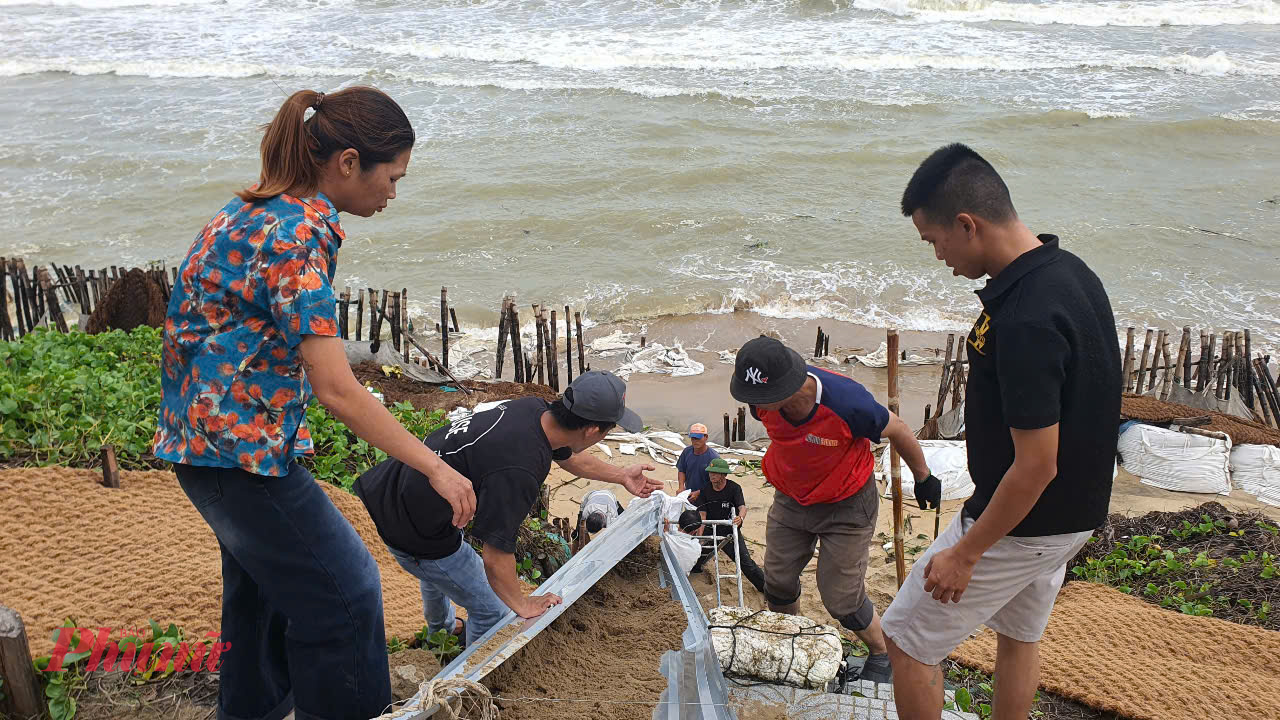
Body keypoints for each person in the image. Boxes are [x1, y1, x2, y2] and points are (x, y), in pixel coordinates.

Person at [151, 87, 474, 720]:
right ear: (348, 162)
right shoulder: (297, 234)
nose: (394, 194)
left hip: (207, 446)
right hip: (239, 459)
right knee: (349, 595)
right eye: (393, 176)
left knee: (262, 602)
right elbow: (336, 389)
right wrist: (434, 465)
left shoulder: (252, 209)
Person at [882, 143, 1121, 720]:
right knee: (1018, 637)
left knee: (906, 639)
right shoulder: (1068, 272)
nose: (936, 255)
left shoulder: (1026, 319)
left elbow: (1036, 464)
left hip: (1022, 523)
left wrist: (965, 553)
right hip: (1071, 515)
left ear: (967, 224)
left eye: (934, 240)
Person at [354, 371, 663, 649]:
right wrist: (522, 603)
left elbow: (569, 456)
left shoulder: (534, 410)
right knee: (492, 611)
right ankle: (467, 689)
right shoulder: (520, 469)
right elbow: (495, 555)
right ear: (593, 431)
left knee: (438, 574)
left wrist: (621, 475)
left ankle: (442, 632)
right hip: (412, 529)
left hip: (394, 487)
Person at [729, 336, 941, 683]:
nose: (757, 406)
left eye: (764, 398)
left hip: (847, 504)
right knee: (778, 582)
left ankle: (882, 651)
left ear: (791, 384)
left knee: (841, 597)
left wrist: (923, 478)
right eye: (752, 397)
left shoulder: (846, 402)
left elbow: (899, 429)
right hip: (791, 497)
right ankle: (791, 642)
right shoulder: (760, 402)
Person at [691, 458, 765, 594]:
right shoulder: (706, 490)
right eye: (710, 473)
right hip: (710, 528)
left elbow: (742, 507)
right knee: (696, 555)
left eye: (715, 473)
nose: (712, 475)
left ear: (724, 474)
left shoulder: (734, 488)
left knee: (745, 563)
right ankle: (693, 571)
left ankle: (767, 589)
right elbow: (702, 515)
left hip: (729, 531)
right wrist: (699, 537)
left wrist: (740, 518)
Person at [676, 422, 719, 499]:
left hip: (707, 496)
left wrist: (699, 492)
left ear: (706, 437)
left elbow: (717, 481)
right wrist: (681, 487)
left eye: (698, 438)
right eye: (693, 438)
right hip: (689, 495)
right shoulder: (686, 452)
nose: (695, 441)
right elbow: (681, 470)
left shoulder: (713, 457)